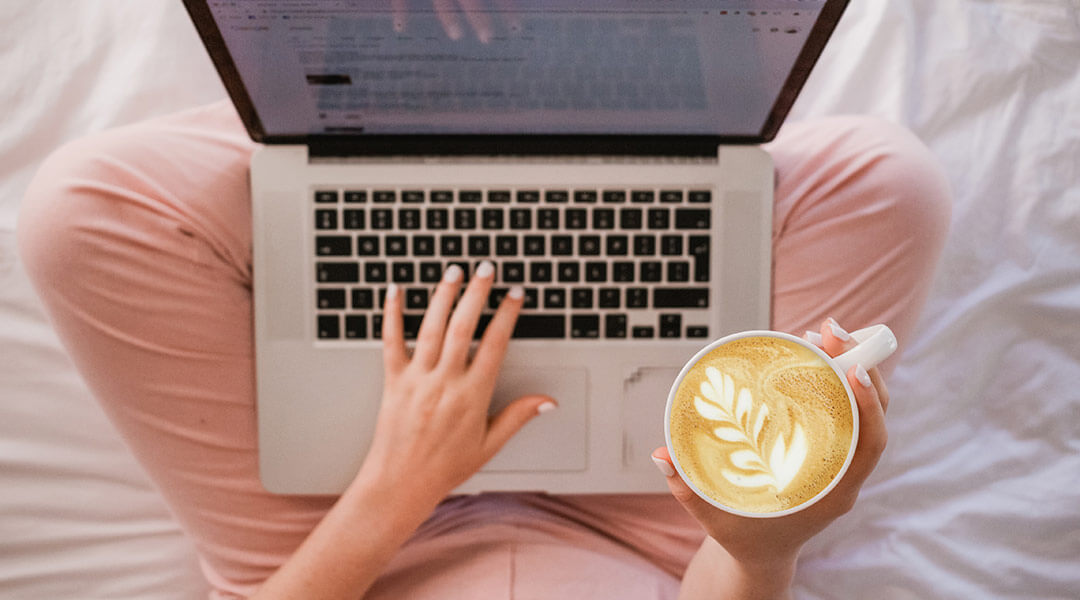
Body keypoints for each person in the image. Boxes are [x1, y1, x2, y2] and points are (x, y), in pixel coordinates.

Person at [16, 99, 951, 599]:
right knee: (888, 181)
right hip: (666, 548)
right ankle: (600, 104)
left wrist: (394, 487)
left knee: (83, 210)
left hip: (345, 544)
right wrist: (762, 546)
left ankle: (387, 110)